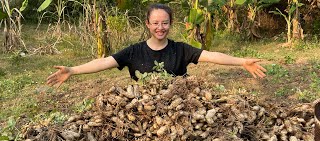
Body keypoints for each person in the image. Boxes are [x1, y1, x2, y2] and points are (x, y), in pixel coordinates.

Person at [47, 3, 266, 88]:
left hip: (180, 104)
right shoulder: (133, 51)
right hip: (143, 108)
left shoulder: (181, 49)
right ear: (148, 24)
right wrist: (72, 70)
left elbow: (212, 56)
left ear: (170, 24)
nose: (160, 27)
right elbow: (104, 62)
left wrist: (242, 62)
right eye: (155, 23)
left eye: (165, 23)